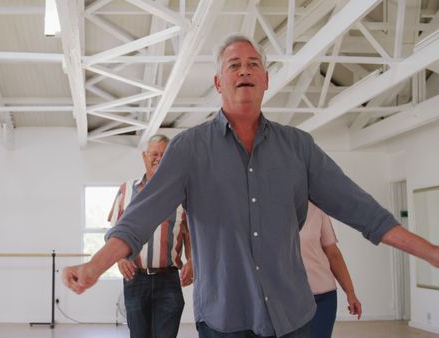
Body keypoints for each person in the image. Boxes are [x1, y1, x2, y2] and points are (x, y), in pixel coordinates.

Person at [62, 33, 439, 338]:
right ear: (218, 81)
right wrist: (96, 266)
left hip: (293, 317)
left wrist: (432, 253)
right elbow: (139, 218)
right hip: (225, 319)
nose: (245, 70)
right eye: (234, 65)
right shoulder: (189, 149)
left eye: (253, 64)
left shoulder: (298, 147)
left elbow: (362, 211)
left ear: (265, 80)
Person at [108, 134, 193, 338]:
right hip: (135, 279)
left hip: (169, 280)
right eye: (154, 154)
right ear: (144, 156)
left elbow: (190, 233)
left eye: (164, 155)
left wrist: (192, 261)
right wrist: (119, 258)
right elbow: (114, 231)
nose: (158, 158)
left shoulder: (183, 192)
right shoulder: (126, 189)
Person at [300, 202, 361, 338]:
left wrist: (350, 293)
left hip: (322, 296)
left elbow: (333, 254)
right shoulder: (270, 211)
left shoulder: (317, 209)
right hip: (285, 299)